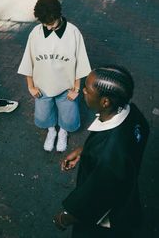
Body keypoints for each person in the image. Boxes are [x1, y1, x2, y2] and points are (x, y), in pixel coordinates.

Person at [53, 65, 149, 237]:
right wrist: (85, 151)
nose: (83, 90)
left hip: (106, 218)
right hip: (127, 193)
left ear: (105, 102)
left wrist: (65, 217)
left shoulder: (107, 158)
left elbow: (95, 197)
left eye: (87, 90)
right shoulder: (134, 115)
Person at [18, 0, 91, 152]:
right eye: (45, 23)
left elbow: (80, 62)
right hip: (42, 87)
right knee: (44, 116)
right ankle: (52, 131)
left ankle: (63, 131)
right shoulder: (35, 33)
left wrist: (76, 88)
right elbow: (28, 61)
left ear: (59, 15)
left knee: (69, 118)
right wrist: (30, 86)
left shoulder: (73, 32)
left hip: (66, 88)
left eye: (51, 23)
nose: (48, 27)